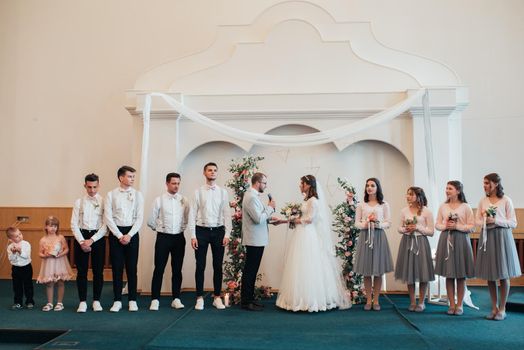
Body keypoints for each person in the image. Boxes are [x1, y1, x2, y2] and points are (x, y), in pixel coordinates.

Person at [276, 175, 350, 312]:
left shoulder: (314, 201)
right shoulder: (306, 200)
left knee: (309, 265)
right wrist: (289, 218)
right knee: (299, 265)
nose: (299, 186)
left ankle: (313, 299)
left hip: (308, 234)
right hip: (301, 233)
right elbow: (303, 217)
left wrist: (290, 220)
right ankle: (299, 297)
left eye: (301, 183)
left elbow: (309, 219)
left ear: (308, 185)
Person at [475, 173, 521, 321]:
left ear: (495, 184)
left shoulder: (506, 200)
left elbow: (513, 223)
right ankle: (493, 307)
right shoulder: (483, 201)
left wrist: (496, 220)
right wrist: (483, 219)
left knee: (503, 274)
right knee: (490, 275)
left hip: (502, 238)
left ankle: (502, 308)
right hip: (487, 237)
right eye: (484, 183)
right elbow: (476, 221)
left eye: (487, 183)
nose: (484, 186)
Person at [189, 162, 232, 310]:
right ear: (204, 172)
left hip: (219, 231)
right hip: (201, 231)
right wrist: (193, 235)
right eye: (209, 170)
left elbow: (227, 214)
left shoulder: (223, 192)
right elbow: (192, 214)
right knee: (200, 265)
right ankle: (199, 297)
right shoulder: (197, 192)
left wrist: (227, 233)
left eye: (214, 170)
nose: (212, 172)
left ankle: (217, 297)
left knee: (217, 266)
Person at [104, 165, 144, 312]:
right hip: (116, 234)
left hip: (132, 233)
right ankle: (117, 300)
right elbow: (108, 217)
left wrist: (129, 235)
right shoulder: (111, 195)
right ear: (121, 178)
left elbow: (140, 218)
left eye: (133, 176)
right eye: (129, 176)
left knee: (132, 268)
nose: (132, 179)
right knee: (117, 268)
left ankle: (132, 300)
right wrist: (120, 235)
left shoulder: (138, 194)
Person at [148, 172, 190, 311]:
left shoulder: (184, 200)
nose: (176, 186)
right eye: (173, 183)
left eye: (178, 183)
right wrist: (161, 229)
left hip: (179, 238)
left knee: (177, 269)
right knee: (159, 269)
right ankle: (155, 299)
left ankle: (176, 299)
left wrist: (181, 228)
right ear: (167, 184)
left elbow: (187, 218)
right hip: (163, 237)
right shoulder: (158, 200)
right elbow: (151, 221)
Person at [240, 172, 280, 311]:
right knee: (250, 271)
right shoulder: (251, 197)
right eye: (264, 183)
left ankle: (250, 299)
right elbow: (257, 219)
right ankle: (246, 301)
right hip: (254, 240)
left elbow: (259, 217)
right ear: (257, 183)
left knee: (252, 270)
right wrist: (270, 207)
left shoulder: (253, 196)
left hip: (257, 239)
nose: (265, 186)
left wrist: (270, 219)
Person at [434, 180, 475, 316]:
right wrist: (446, 226)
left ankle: (460, 304)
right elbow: (437, 224)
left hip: (461, 240)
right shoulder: (443, 207)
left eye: (450, 188)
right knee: (449, 274)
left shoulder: (466, 207)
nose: (447, 190)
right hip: (446, 239)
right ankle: (451, 304)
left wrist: (457, 227)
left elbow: (472, 226)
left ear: (458, 191)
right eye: (446, 188)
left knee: (461, 275)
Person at [354, 178, 394, 311]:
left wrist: (378, 224)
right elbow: (356, 223)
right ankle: (368, 299)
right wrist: (366, 224)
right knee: (366, 271)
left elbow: (388, 222)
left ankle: (376, 299)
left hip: (378, 237)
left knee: (378, 271)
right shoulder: (361, 204)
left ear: (378, 188)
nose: (369, 188)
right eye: (367, 186)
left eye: (372, 185)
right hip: (365, 237)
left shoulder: (384, 205)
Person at [394, 187, 435, 312]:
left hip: (421, 242)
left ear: (418, 196)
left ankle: (422, 302)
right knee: (409, 273)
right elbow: (399, 228)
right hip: (407, 242)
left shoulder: (426, 211)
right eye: (407, 194)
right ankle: (412, 301)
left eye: (411, 194)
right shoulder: (404, 211)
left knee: (423, 273)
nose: (408, 196)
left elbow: (431, 232)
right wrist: (406, 229)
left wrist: (418, 228)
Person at [71, 173, 107, 313]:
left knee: (98, 271)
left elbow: (106, 224)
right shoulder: (78, 202)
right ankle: (82, 301)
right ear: (85, 186)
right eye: (89, 187)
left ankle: (96, 300)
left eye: (95, 187)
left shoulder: (104, 201)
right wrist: (82, 241)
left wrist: (92, 240)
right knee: (82, 271)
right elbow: (73, 224)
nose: (92, 190)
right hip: (82, 236)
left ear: (99, 185)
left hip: (97, 237)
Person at [37, 216, 74, 311]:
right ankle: (49, 303)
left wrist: (60, 254)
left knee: (60, 281)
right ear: (46, 227)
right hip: (48, 263)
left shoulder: (60, 237)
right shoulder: (43, 239)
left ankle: (60, 303)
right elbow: (40, 253)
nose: (53, 228)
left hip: (59, 262)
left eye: (55, 226)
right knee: (49, 283)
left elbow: (66, 249)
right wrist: (45, 255)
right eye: (50, 226)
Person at [6, 226, 35, 310]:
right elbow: (11, 259)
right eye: (16, 236)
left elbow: (26, 256)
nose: (20, 236)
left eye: (20, 234)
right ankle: (18, 302)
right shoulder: (9, 247)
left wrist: (20, 251)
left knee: (28, 285)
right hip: (16, 269)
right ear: (11, 239)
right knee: (17, 286)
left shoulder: (26, 244)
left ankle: (29, 301)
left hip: (26, 267)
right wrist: (14, 253)